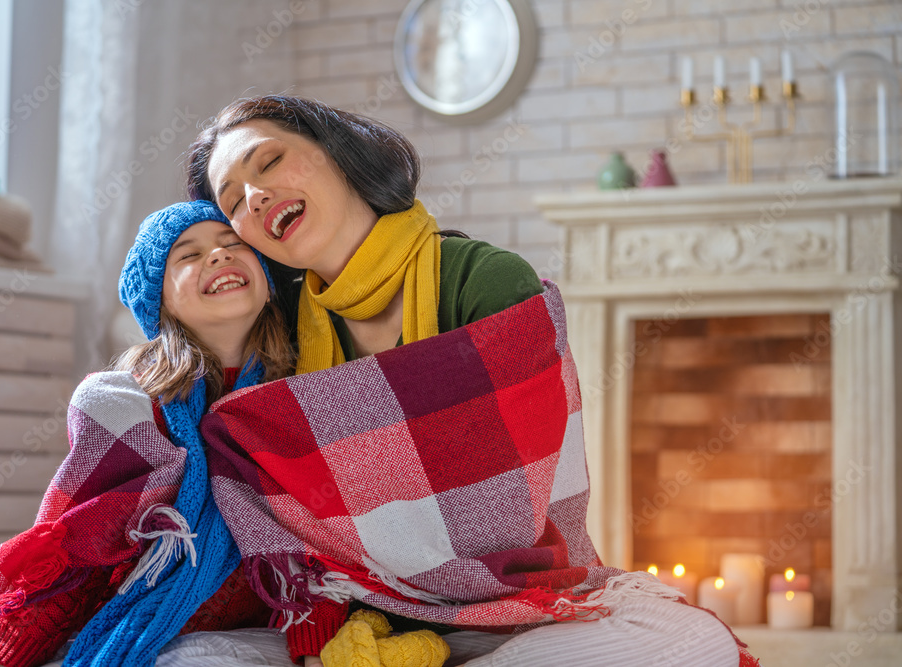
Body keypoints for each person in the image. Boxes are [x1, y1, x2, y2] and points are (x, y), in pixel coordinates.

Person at [184, 95, 759, 667]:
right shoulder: (279, 327)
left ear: (339, 153)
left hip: (510, 605)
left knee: (690, 639)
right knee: (190, 659)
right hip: (359, 612)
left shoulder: (486, 280)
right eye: (232, 202)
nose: (253, 197)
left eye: (268, 163)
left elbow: (506, 503)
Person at [0, 201, 293, 667]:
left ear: (269, 282)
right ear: (160, 301)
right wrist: (8, 652)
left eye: (233, 245)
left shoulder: (301, 395)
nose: (217, 256)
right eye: (188, 256)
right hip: (119, 611)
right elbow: (76, 543)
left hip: (253, 625)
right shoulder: (122, 401)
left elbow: (329, 547)